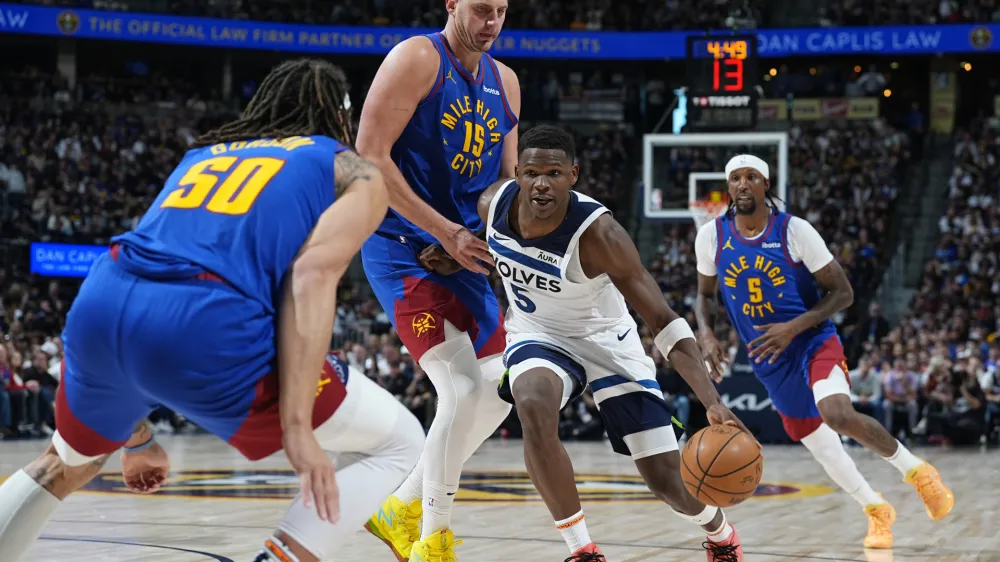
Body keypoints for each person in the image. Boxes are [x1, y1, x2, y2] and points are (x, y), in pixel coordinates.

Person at [0, 59, 425, 562]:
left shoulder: (203, 154)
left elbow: (149, 301)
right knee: (399, 441)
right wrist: (295, 427)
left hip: (103, 300)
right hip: (204, 316)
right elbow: (312, 275)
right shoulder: (350, 168)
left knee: (61, 464)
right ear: (340, 115)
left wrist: (135, 440)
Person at [423, 125, 751, 562]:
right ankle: (582, 551)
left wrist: (711, 401)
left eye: (554, 173)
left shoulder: (601, 235)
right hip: (539, 335)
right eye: (532, 173)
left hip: (607, 343)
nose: (542, 183)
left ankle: (721, 534)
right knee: (532, 403)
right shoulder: (493, 205)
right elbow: (489, 246)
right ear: (517, 173)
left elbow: (662, 320)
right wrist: (450, 259)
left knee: (666, 481)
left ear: (573, 175)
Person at [694, 154, 954, 550]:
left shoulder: (794, 231)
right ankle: (876, 509)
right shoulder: (711, 236)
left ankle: (918, 473)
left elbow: (843, 293)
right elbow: (704, 296)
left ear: (766, 184)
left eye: (751, 177)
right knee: (820, 446)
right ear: (728, 187)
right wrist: (707, 333)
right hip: (769, 358)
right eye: (735, 178)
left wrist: (793, 327)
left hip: (812, 340)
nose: (742, 184)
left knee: (836, 413)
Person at [356, 0, 520, 560]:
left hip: (463, 255)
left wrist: (493, 244)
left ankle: (398, 507)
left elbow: (506, 186)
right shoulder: (417, 58)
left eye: (501, 11)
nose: (492, 22)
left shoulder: (506, 82)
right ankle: (433, 540)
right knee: (464, 389)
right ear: (451, 4)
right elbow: (370, 156)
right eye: (481, 9)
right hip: (404, 248)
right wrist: (445, 231)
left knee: (500, 391)